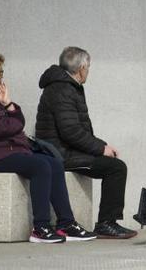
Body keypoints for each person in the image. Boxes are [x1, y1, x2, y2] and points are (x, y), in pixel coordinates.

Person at [0, 50, 96, 244]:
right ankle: (40, 228)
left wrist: (7, 104)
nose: (2, 77)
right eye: (0, 72)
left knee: (53, 162)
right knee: (40, 166)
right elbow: (0, 128)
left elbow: (14, 123)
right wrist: (10, 115)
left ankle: (66, 223)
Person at [35, 47, 138, 239]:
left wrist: (102, 146)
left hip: (68, 150)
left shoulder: (66, 86)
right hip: (61, 154)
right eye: (88, 67)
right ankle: (107, 223)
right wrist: (100, 148)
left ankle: (108, 222)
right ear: (81, 68)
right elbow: (70, 132)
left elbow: (76, 129)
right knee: (116, 168)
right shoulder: (62, 89)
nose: (88, 71)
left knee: (113, 163)